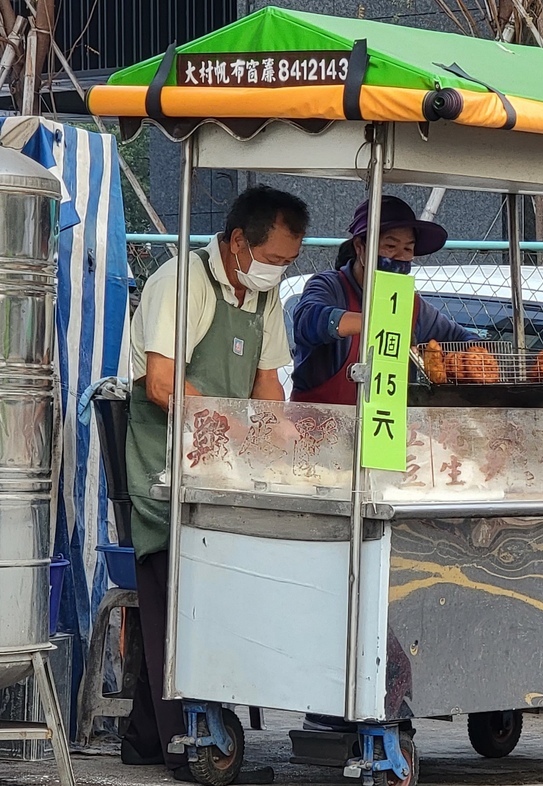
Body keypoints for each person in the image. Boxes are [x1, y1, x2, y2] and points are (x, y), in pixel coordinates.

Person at [122, 185, 309, 780]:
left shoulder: (264, 297)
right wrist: (237, 431)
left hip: (223, 465)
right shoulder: (183, 282)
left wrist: (290, 449)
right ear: (236, 242)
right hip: (164, 462)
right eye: (273, 259)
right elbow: (161, 383)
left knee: (209, 586)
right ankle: (190, 744)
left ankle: (147, 739)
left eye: (288, 262)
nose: (278, 271)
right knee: (180, 588)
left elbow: (267, 386)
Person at [290, 195, 477, 404]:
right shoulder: (329, 286)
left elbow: (463, 340)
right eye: (390, 246)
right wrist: (377, 323)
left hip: (383, 429)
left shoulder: (412, 306)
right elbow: (309, 320)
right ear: (360, 247)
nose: (400, 257)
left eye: (407, 249)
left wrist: (467, 361)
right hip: (320, 426)